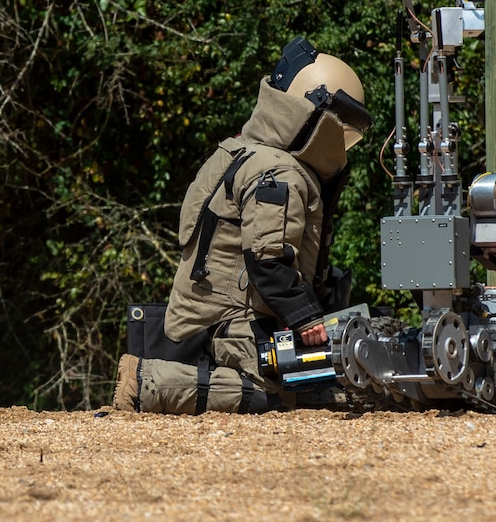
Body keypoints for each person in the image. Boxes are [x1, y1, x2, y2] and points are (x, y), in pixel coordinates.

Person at [117, 36, 368, 413]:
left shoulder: (244, 150)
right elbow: (268, 259)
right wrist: (306, 318)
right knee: (293, 397)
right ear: (316, 116)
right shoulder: (278, 171)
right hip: (231, 323)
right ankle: (147, 383)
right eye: (343, 127)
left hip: (218, 318)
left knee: (327, 387)